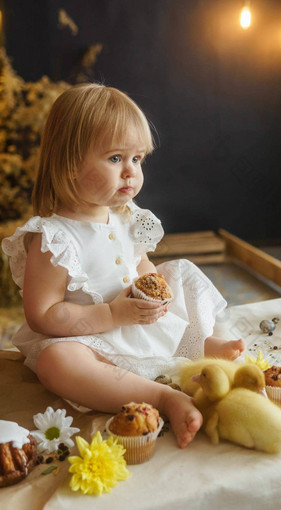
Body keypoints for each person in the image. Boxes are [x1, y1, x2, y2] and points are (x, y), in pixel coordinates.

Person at [2, 83, 245, 448]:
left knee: (176, 274)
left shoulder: (127, 217)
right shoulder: (54, 237)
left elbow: (141, 263)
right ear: (69, 165)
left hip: (136, 318)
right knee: (57, 362)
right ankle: (162, 397)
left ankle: (198, 343)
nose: (130, 172)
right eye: (116, 158)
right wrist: (112, 316)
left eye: (137, 159)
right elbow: (42, 315)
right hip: (87, 338)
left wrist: (154, 292)